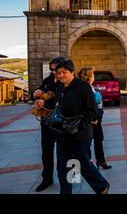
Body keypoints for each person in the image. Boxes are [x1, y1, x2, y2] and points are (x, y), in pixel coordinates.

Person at [53, 59, 110, 194]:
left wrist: (79, 120)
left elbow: (92, 111)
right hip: (63, 134)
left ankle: (102, 186)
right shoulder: (60, 87)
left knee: (83, 164)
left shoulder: (82, 87)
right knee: (63, 168)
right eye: (58, 73)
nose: (60, 75)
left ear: (72, 72)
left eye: (64, 72)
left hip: (80, 134)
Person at [33, 56, 65, 192]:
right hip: (46, 123)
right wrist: (35, 94)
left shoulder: (66, 82)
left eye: (55, 69)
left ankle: (68, 179)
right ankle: (47, 179)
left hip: (62, 123)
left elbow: (65, 102)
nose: (53, 72)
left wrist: (46, 103)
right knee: (46, 151)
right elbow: (38, 93)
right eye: (51, 69)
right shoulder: (48, 80)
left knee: (66, 153)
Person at [77, 67, 112, 170]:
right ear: (88, 77)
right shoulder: (84, 88)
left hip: (97, 119)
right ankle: (83, 165)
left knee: (98, 140)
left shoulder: (91, 87)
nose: (94, 76)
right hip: (90, 120)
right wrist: (93, 118)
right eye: (92, 74)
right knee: (85, 143)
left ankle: (101, 161)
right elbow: (86, 105)